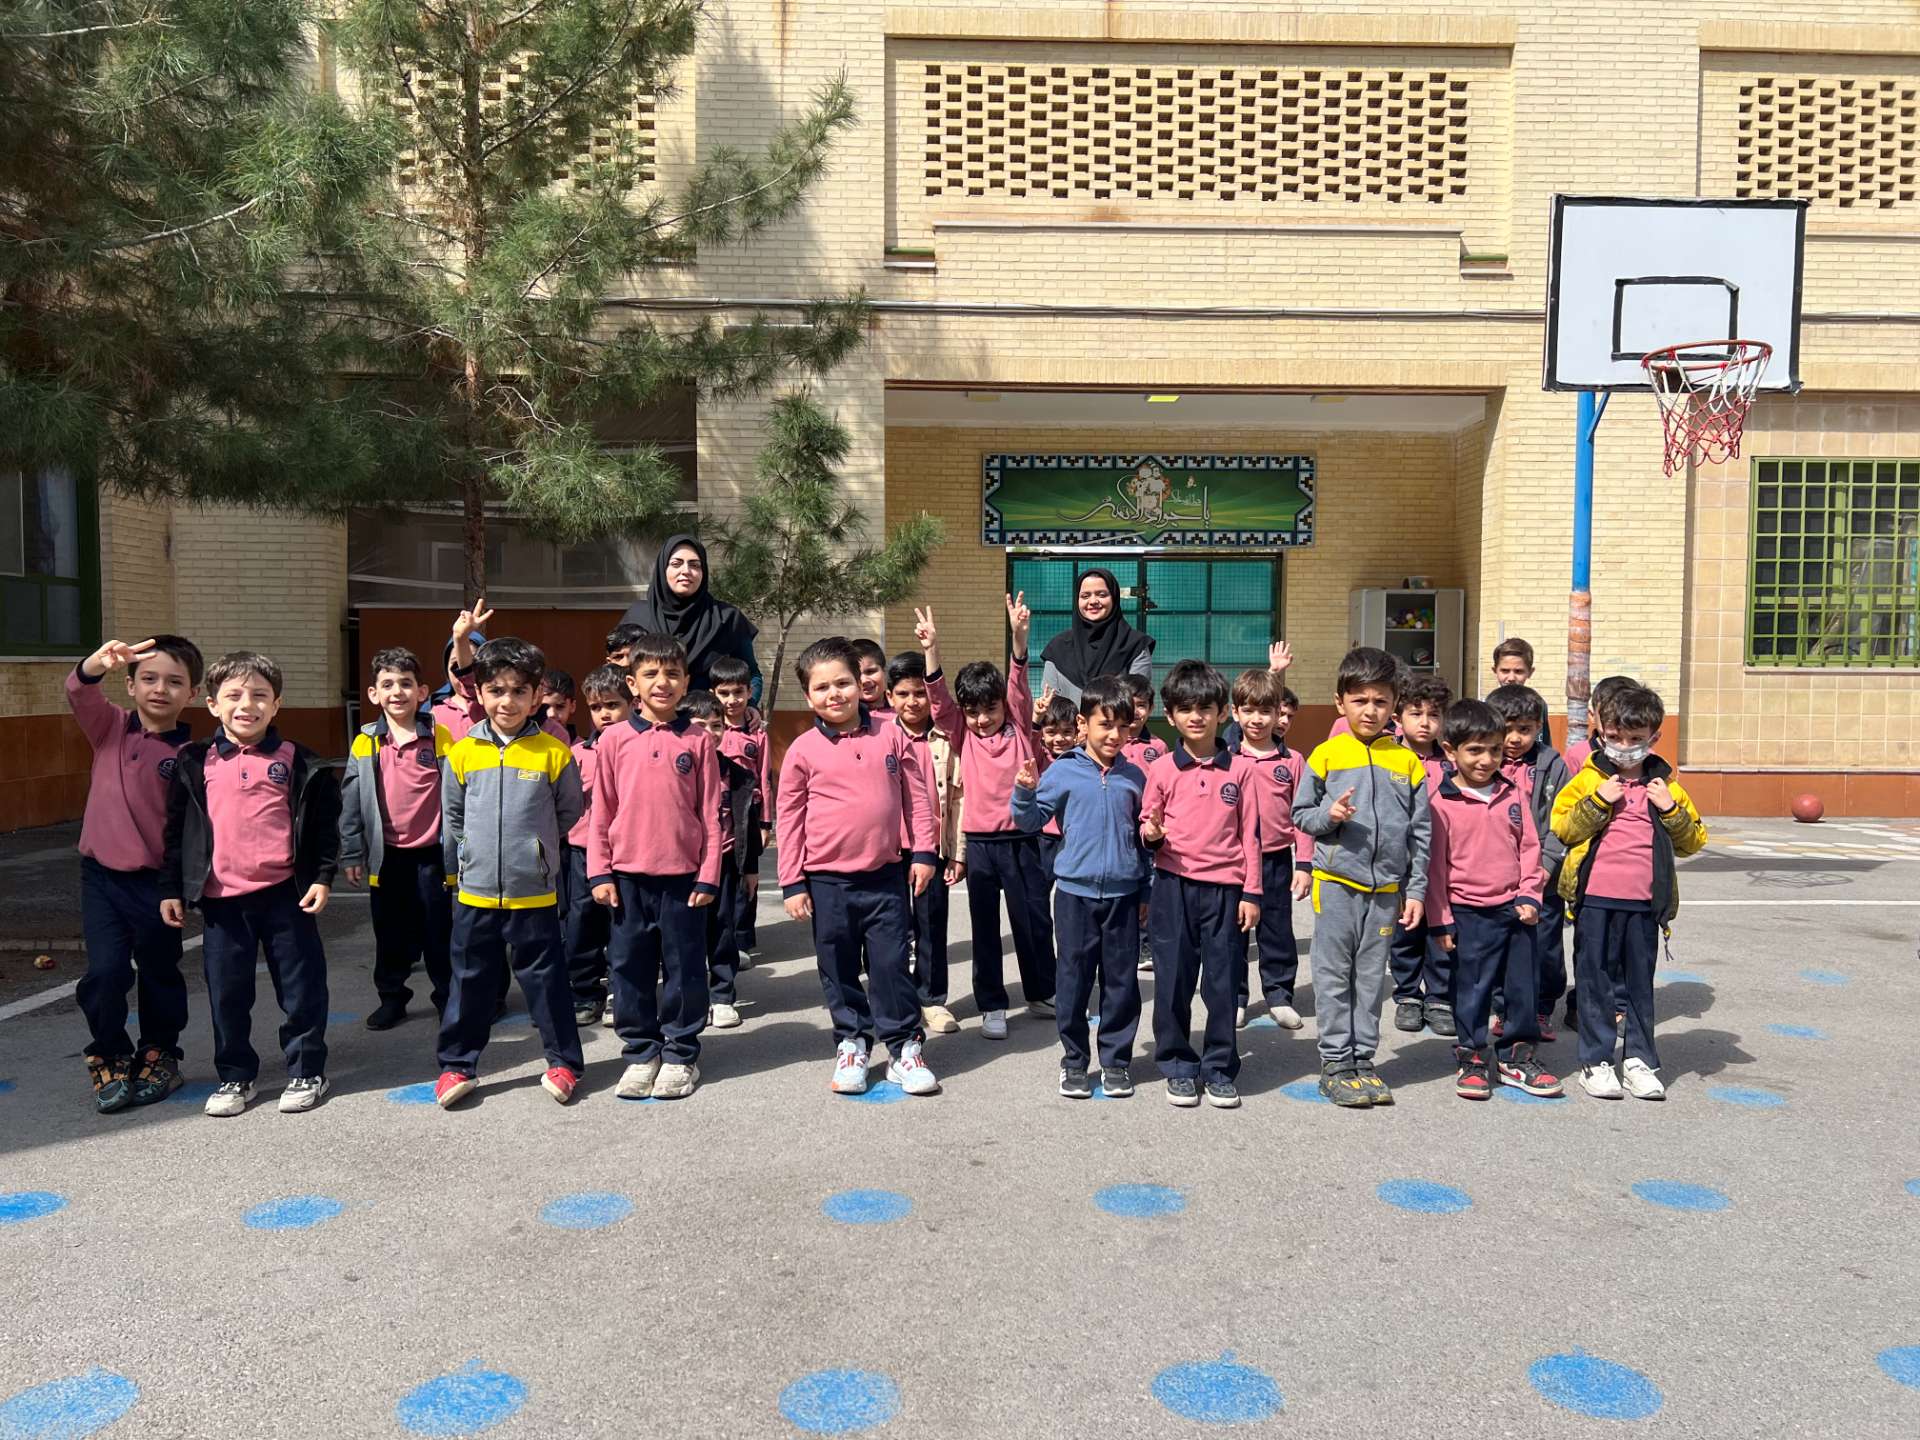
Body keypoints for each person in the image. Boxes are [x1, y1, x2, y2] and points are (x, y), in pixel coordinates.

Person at [160, 652, 340, 1118]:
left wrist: (322, 877)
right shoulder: (193, 761)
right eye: (234, 695)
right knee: (227, 993)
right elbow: (176, 830)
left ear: (276, 704)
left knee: (301, 988)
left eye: (260, 695)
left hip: (286, 895)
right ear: (212, 704)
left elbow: (323, 828)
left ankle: (307, 1069)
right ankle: (236, 1075)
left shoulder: (300, 760)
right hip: (222, 901)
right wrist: (171, 887)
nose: (247, 705)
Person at [777, 637, 940, 1097]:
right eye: (822, 687)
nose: (835, 694)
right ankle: (852, 1042)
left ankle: (904, 1046)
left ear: (862, 683)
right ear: (808, 695)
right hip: (827, 882)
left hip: (885, 877)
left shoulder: (891, 734)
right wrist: (792, 882)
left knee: (891, 964)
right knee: (838, 966)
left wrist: (924, 852)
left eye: (843, 683)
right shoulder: (803, 750)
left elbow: (918, 798)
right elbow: (789, 819)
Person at [432, 638, 585, 1109]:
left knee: (547, 981)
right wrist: (465, 863)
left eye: (519, 691)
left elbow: (568, 812)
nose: (508, 701)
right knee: (469, 980)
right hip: (475, 892)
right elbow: (453, 817)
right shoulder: (462, 753)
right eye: (496, 690)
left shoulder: (553, 753)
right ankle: (457, 1064)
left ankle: (564, 1062)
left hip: (533, 891)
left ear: (536, 696)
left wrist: (536, 852)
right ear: (479, 693)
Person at [67, 634, 204, 1112]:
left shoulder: (192, 755)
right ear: (130, 685)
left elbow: (193, 830)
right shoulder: (110, 727)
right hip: (101, 878)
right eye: (148, 678)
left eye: (174, 682)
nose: (160, 689)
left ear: (192, 694)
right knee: (105, 973)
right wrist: (96, 663)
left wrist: (182, 885)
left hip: (157, 885)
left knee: (159, 971)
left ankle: (160, 1053)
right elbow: (78, 691)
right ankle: (108, 1054)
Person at [1552, 684, 1708, 1101]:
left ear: (1654, 737)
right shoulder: (1589, 779)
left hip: (1644, 903)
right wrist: (1598, 802)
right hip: (1595, 899)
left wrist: (1669, 809)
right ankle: (1596, 1061)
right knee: (1594, 982)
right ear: (1602, 732)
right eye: (1615, 737)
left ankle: (1640, 1060)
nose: (1624, 747)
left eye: (1635, 739)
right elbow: (1563, 827)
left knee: (1639, 985)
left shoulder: (1666, 786)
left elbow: (1693, 841)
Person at [1293, 647, 1432, 1108]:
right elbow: (1301, 814)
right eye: (1360, 701)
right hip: (1336, 885)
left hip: (1387, 892)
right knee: (1333, 975)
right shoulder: (1326, 755)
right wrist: (1329, 817)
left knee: (1371, 979)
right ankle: (1336, 1062)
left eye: (1380, 701)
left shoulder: (1407, 762)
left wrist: (1416, 889)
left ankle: (1363, 1061)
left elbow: (1421, 833)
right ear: (1340, 702)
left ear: (1394, 705)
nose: (1370, 710)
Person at [587, 634, 724, 1100]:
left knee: (685, 969)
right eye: (650, 674)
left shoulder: (698, 740)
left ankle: (681, 1053)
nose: (662, 682)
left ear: (686, 681)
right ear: (632, 683)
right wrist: (600, 872)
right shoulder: (613, 739)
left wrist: (709, 873)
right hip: (627, 879)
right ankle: (641, 1052)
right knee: (629, 968)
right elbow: (601, 811)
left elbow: (711, 813)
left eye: (672, 674)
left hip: (684, 880)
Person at [921, 597, 1055, 1039]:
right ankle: (992, 1005)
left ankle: (1042, 991)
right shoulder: (962, 732)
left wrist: (1019, 637)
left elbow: (1017, 681)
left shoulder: (1017, 721)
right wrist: (931, 650)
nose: (982, 719)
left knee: (1033, 921)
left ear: (1004, 706)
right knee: (985, 929)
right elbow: (939, 703)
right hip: (980, 846)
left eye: (989, 709)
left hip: (1022, 842)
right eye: (974, 711)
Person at [1012, 677, 1150, 1100]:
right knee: (1073, 981)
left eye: (1122, 726)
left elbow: (1145, 840)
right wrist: (1024, 792)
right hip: (1074, 895)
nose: (1114, 735)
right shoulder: (1063, 770)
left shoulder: (1135, 776)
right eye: (1105, 724)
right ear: (1082, 724)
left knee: (1121, 983)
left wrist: (1146, 890)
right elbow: (1031, 820)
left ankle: (1116, 1062)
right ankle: (1074, 1061)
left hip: (1124, 895)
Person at [1139, 661, 1262, 1109]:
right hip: (1173, 886)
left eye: (1205, 708)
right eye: (1186, 709)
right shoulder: (1162, 769)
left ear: (1222, 713)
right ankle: (1177, 1063)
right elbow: (1147, 823)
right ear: (1170, 716)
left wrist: (1252, 892)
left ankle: (1220, 1067)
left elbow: (1251, 835)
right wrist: (1152, 833)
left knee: (1223, 981)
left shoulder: (1242, 770)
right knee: (1173, 979)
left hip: (1226, 890)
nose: (1196, 717)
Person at [1427, 699, 1561, 1100]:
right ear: (1450, 750)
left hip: (1516, 910)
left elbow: (1530, 847)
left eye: (1495, 750)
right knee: (1471, 989)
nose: (1486, 760)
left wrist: (1530, 894)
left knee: (1522, 987)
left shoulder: (1512, 792)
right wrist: (1441, 919)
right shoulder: (1440, 803)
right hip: (1467, 913)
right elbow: (1435, 869)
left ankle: (1517, 1056)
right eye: (1475, 750)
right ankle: (1471, 1055)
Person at [339, 647, 454, 1032]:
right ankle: (392, 998)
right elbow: (351, 802)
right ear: (373, 694)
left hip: (432, 857)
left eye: (405, 684)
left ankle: (447, 998)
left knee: (438, 932)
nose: (397, 692)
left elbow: (458, 796)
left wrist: (459, 850)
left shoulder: (439, 738)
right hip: (387, 858)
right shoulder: (365, 743)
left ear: (422, 692)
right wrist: (352, 852)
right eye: (387, 684)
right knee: (389, 933)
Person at [886, 650, 966, 1035]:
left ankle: (932, 999)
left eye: (920, 693)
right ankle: (897, 998)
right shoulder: (880, 736)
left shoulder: (947, 737)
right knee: (892, 927)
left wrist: (957, 852)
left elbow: (960, 796)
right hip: (888, 849)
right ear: (890, 697)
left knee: (931, 925)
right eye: (903, 694)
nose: (912, 701)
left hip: (932, 848)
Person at [1227, 667, 1311, 1031]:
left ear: (1279, 713)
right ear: (1235, 713)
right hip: (1234, 860)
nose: (1257, 719)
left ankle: (1279, 996)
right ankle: (1235, 998)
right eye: (1248, 710)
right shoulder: (1226, 758)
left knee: (1277, 931)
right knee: (1233, 933)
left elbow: (1303, 816)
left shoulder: (1293, 761)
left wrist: (1304, 863)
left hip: (1276, 859)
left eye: (1265, 711)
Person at [1486, 684, 1572, 1041]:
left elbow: (1562, 822)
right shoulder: (1483, 763)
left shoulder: (1552, 765)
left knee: (1545, 948)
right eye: (1506, 729)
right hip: (1497, 879)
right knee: (1502, 948)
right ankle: (1505, 1009)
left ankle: (1541, 1008)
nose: (1514, 738)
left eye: (1525, 729)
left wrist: (1546, 866)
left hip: (1543, 880)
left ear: (1539, 727)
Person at [1387, 673, 1455, 1038]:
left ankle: (1440, 997)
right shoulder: (1388, 758)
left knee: (1440, 927)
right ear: (1398, 717)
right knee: (1406, 929)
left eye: (1434, 714)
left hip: (1444, 861)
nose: (1425, 722)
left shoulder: (1452, 762)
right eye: (1416, 713)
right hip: (1401, 860)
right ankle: (1408, 995)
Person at [618, 534, 762, 701]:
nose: (686, 571)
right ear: (663, 569)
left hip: (707, 715)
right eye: (676, 564)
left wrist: (750, 705)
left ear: (703, 572)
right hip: (649, 715)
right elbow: (617, 672)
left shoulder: (727, 618)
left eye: (694, 565)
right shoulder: (638, 616)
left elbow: (752, 674)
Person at [686, 689, 756, 1031]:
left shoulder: (737, 774)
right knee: (685, 933)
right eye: (700, 725)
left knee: (723, 929)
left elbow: (747, 822)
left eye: (716, 725)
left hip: (725, 862)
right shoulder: (677, 770)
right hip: (684, 865)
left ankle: (722, 995)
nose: (710, 733)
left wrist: (750, 867)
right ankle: (690, 996)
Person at [565, 664, 630, 1026]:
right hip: (583, 850)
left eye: (613, 704)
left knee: (622, 925)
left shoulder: (637, 748)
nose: (604, 713)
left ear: (633, 704)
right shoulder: (578, 753)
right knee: (582, 923)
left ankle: (620, 992)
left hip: (625, 853)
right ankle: (585, 992)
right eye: (596, 707)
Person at [710, 654, 770, 961]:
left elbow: (765, 778)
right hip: (717, 814)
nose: (731, 700)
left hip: (748, 815)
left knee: (747, 875)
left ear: (749, 692)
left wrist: (766, 823)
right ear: (713, 694)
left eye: (738, 692)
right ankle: (717, 938)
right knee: (720, 876)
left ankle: (742, 939)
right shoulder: (709, 730)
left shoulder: (757, 733)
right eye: (724, 693)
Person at [1038, 567, 1154, 705]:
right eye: (1085, 596)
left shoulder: (1135, 646)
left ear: (1114, 598)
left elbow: (1136, 703)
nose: (1093, 601)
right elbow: (1050, 705)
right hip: (1067, 720)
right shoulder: (1058, 648)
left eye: (1102, 595)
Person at [1120, 671, 1164, 973]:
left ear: (1150, 708)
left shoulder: (1158, 747)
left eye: (1142, 705)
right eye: (1130, 704)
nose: (1136, 712)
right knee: (1125, 885)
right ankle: (1125, 942)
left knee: (1148, 884)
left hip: (1146, 829)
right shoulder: (1112, 741)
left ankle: (1146, 943)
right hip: (1119, 826)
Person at [851, 638, 894, 723]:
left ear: (884, 671)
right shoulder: (846, 718)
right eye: (857, 675)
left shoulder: (904, 708)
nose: (864, 681)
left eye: (870, 672)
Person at [539, 669, 577, 741]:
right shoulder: (523, 743)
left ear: (572, 706)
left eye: (560, 706)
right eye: (544, 707)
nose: (552, 714)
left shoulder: (582, 747)